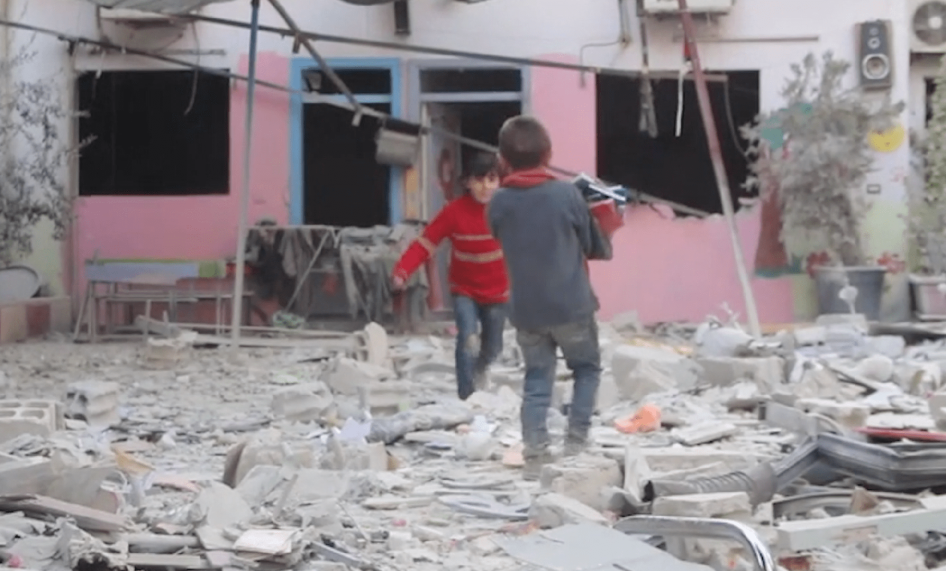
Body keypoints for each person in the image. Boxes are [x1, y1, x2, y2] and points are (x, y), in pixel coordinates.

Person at [487, 115, 602, 480]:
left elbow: (501, 234)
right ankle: (577, 441)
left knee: (537, 378)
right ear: (549, 153)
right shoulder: (568, 194)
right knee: (586, 369)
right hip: (572, 306)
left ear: (502, 160)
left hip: (526, 310)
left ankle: (536, 450)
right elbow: (593, 246)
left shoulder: (499, 202)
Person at [391, 153, 509, 400]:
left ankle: (480, 369)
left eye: (491, 179)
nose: (485, 187)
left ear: (500, 182)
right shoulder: (454, 212)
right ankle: (466, 397)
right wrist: (402, 271)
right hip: (464, 289)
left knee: (493, 346)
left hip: (499, 292)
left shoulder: (507, 211)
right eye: (479, 180)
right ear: (467, 182)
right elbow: (425, 243)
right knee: (467, 338)